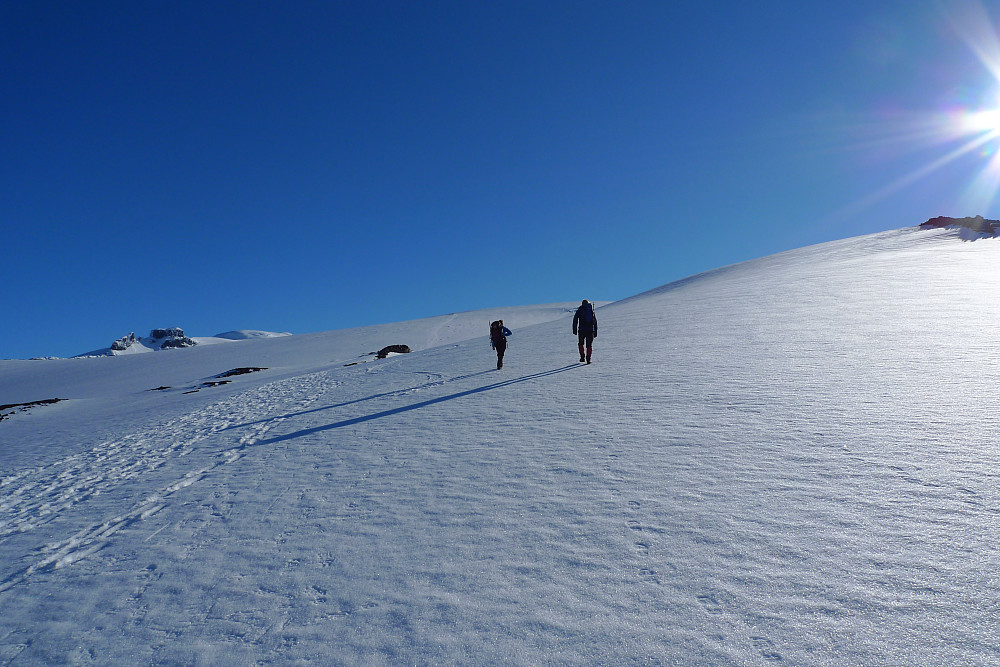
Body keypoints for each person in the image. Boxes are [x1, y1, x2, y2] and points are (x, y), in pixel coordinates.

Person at [572, 299, 598, 363]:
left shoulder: (580, 310)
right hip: (590, 330)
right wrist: (595, 331)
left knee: (581, 343)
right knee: (589, 345)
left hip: (581, 330)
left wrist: (574, 330)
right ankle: (588, 359)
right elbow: (595, 321)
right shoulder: (591, 310)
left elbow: (575, 320)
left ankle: (582, 357)